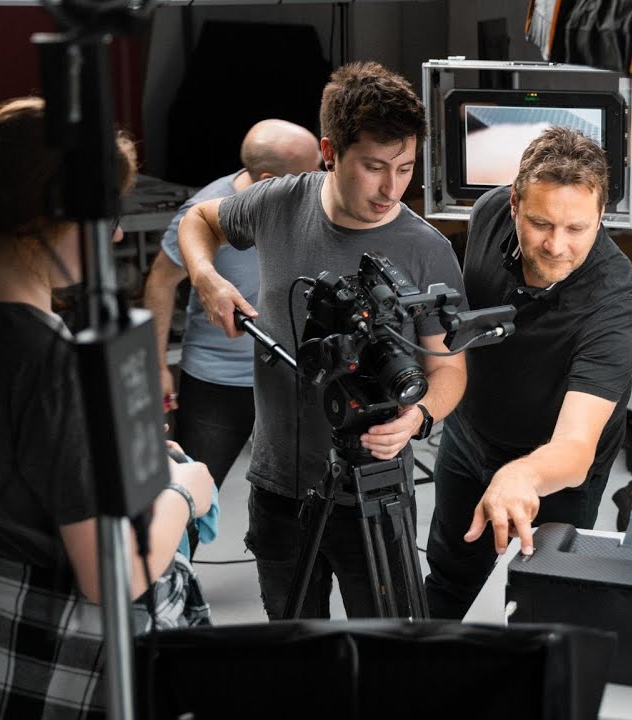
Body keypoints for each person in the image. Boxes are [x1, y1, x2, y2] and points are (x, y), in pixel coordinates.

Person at [177, 62, 466, 620]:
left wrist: (418, 418)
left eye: (405, 168)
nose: (391, 188)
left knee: (383, 657)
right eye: (374, 167)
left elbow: (450, 370)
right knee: (294, 656)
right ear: (330, 151)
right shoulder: (276, 202)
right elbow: (199, 220)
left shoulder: (427, 249)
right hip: (278, 485)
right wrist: (206, 278)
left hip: (373, 491)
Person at [0, 97, 215, 716]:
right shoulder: (57, 367)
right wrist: (184, 493)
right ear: (53, 220)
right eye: (108, 214)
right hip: (62, 662)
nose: (121, 232)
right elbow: (114, 576)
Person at [426, 126, 632, 619]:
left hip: (553, 473)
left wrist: (520, 474)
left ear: (600, 217)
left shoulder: (616, 300)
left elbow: (574, 448)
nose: (556, 245)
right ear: (511, 205)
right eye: (540, 223)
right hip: (468, 438)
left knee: (545, 597)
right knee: (449, 574)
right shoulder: (486, 215)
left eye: (576, 228)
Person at [144, 119, 319, 554]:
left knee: (309, 495)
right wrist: (155, 366)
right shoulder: (207, 210)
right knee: (186, 496)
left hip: (291, 375)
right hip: (219, 380)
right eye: (309, 171)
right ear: (266, 180)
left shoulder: (309, 199)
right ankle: (167, 590)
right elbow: (160, 283)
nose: (321, 179)